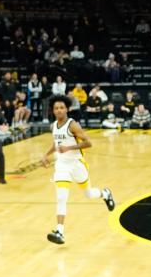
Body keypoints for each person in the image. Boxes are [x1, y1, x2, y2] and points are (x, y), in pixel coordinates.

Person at [40, 95, 115, 245]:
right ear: (53, 111)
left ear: (66, 109)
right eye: (56, 108)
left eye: (61, 107)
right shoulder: (53, 126)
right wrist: (45, 155)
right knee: (61, 198)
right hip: (62, 166)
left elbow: (88, 143)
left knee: (89, 194)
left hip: (77, 164)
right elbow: (56, 144)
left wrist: (69, 147)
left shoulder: (72, 125)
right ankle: (59, 231)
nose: (59, 110)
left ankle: (105, 193)